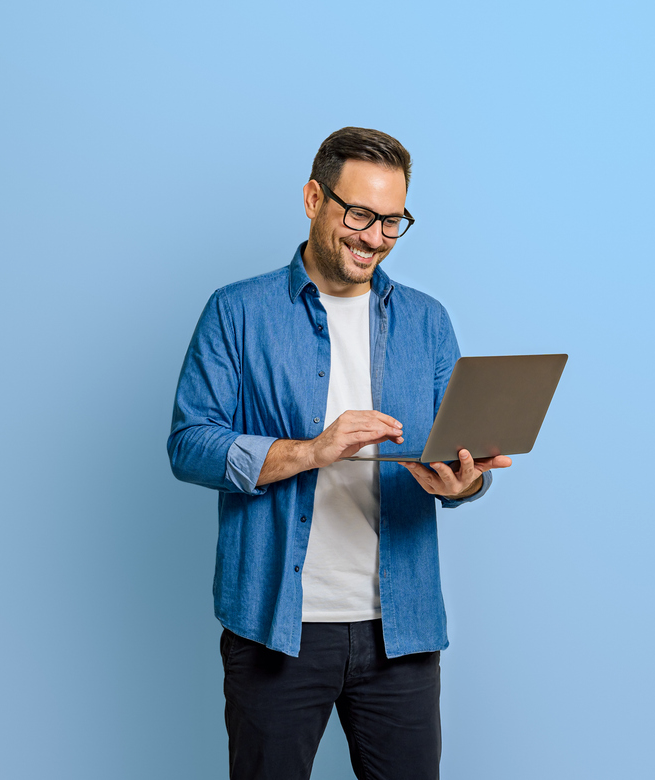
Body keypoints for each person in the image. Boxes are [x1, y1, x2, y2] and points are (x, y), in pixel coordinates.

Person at [167, 127, 512, 780]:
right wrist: (311, 451)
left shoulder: (428, 321)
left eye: (392, 221)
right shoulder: (237, 313)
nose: (374, 237)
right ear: (313, 198)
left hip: (402, 631)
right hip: (276, 626)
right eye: (359, 214)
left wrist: (462, 484)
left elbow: (456, 458)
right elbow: (189, 445)